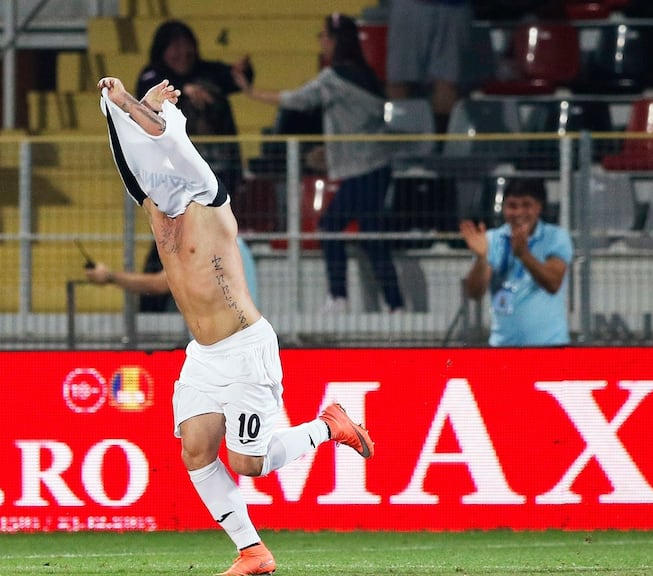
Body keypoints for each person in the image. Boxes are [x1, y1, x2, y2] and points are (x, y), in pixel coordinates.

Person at [97, 75, 374, 576]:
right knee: (195, 451)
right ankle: (252, 552)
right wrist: (114, 109)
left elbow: (169, 142)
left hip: (245, 348)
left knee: (251, 463)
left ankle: (329, 427)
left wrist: (131, 104)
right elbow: (129, 162)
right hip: (203, 355)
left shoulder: (208, 195)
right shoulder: (157, 210)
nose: (155, 179)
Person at [234, 13, 405, 314]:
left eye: (324, 36)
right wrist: (332, 151)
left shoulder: (336, 78)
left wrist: (249, 92)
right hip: (378, 165)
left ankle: (339, 297)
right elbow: (359, 125)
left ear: (336, 41)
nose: (320, 42)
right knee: (371, 235)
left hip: (363, 169)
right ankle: (395, 304)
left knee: (330, 226)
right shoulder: (366, 75)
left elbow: (297, 99)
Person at [136, 20, 250, 203]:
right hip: (172, 171)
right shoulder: (151, 74)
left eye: (187, 48)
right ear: (162, 51)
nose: (183, 54)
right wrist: (182, 91)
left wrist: (243, 71)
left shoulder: (207, 72)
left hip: (219, 166)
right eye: (176, 49)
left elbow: (233, 78)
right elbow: (146, 90)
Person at [459, 178, 573, 346]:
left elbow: (553, 283)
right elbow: (475, 293)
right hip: (504, 346)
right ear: (504, 208)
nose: (519, 213)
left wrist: (524, 255)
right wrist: (482, 258)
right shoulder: (493, 239)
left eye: (526, 205)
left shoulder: (555, 237)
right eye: (512, 206)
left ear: (539, 207)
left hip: (549, 346)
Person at [84, 237, 260, 310]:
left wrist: (110, 276)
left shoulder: (205, 249)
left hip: (222, 349)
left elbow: (158, 284)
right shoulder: (238, 244)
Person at [384, 0, 473, 135]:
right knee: (400, 80)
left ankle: (441, 146)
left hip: (454, 8)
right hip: (410, 6)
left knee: (447, 82)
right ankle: (399, 141)